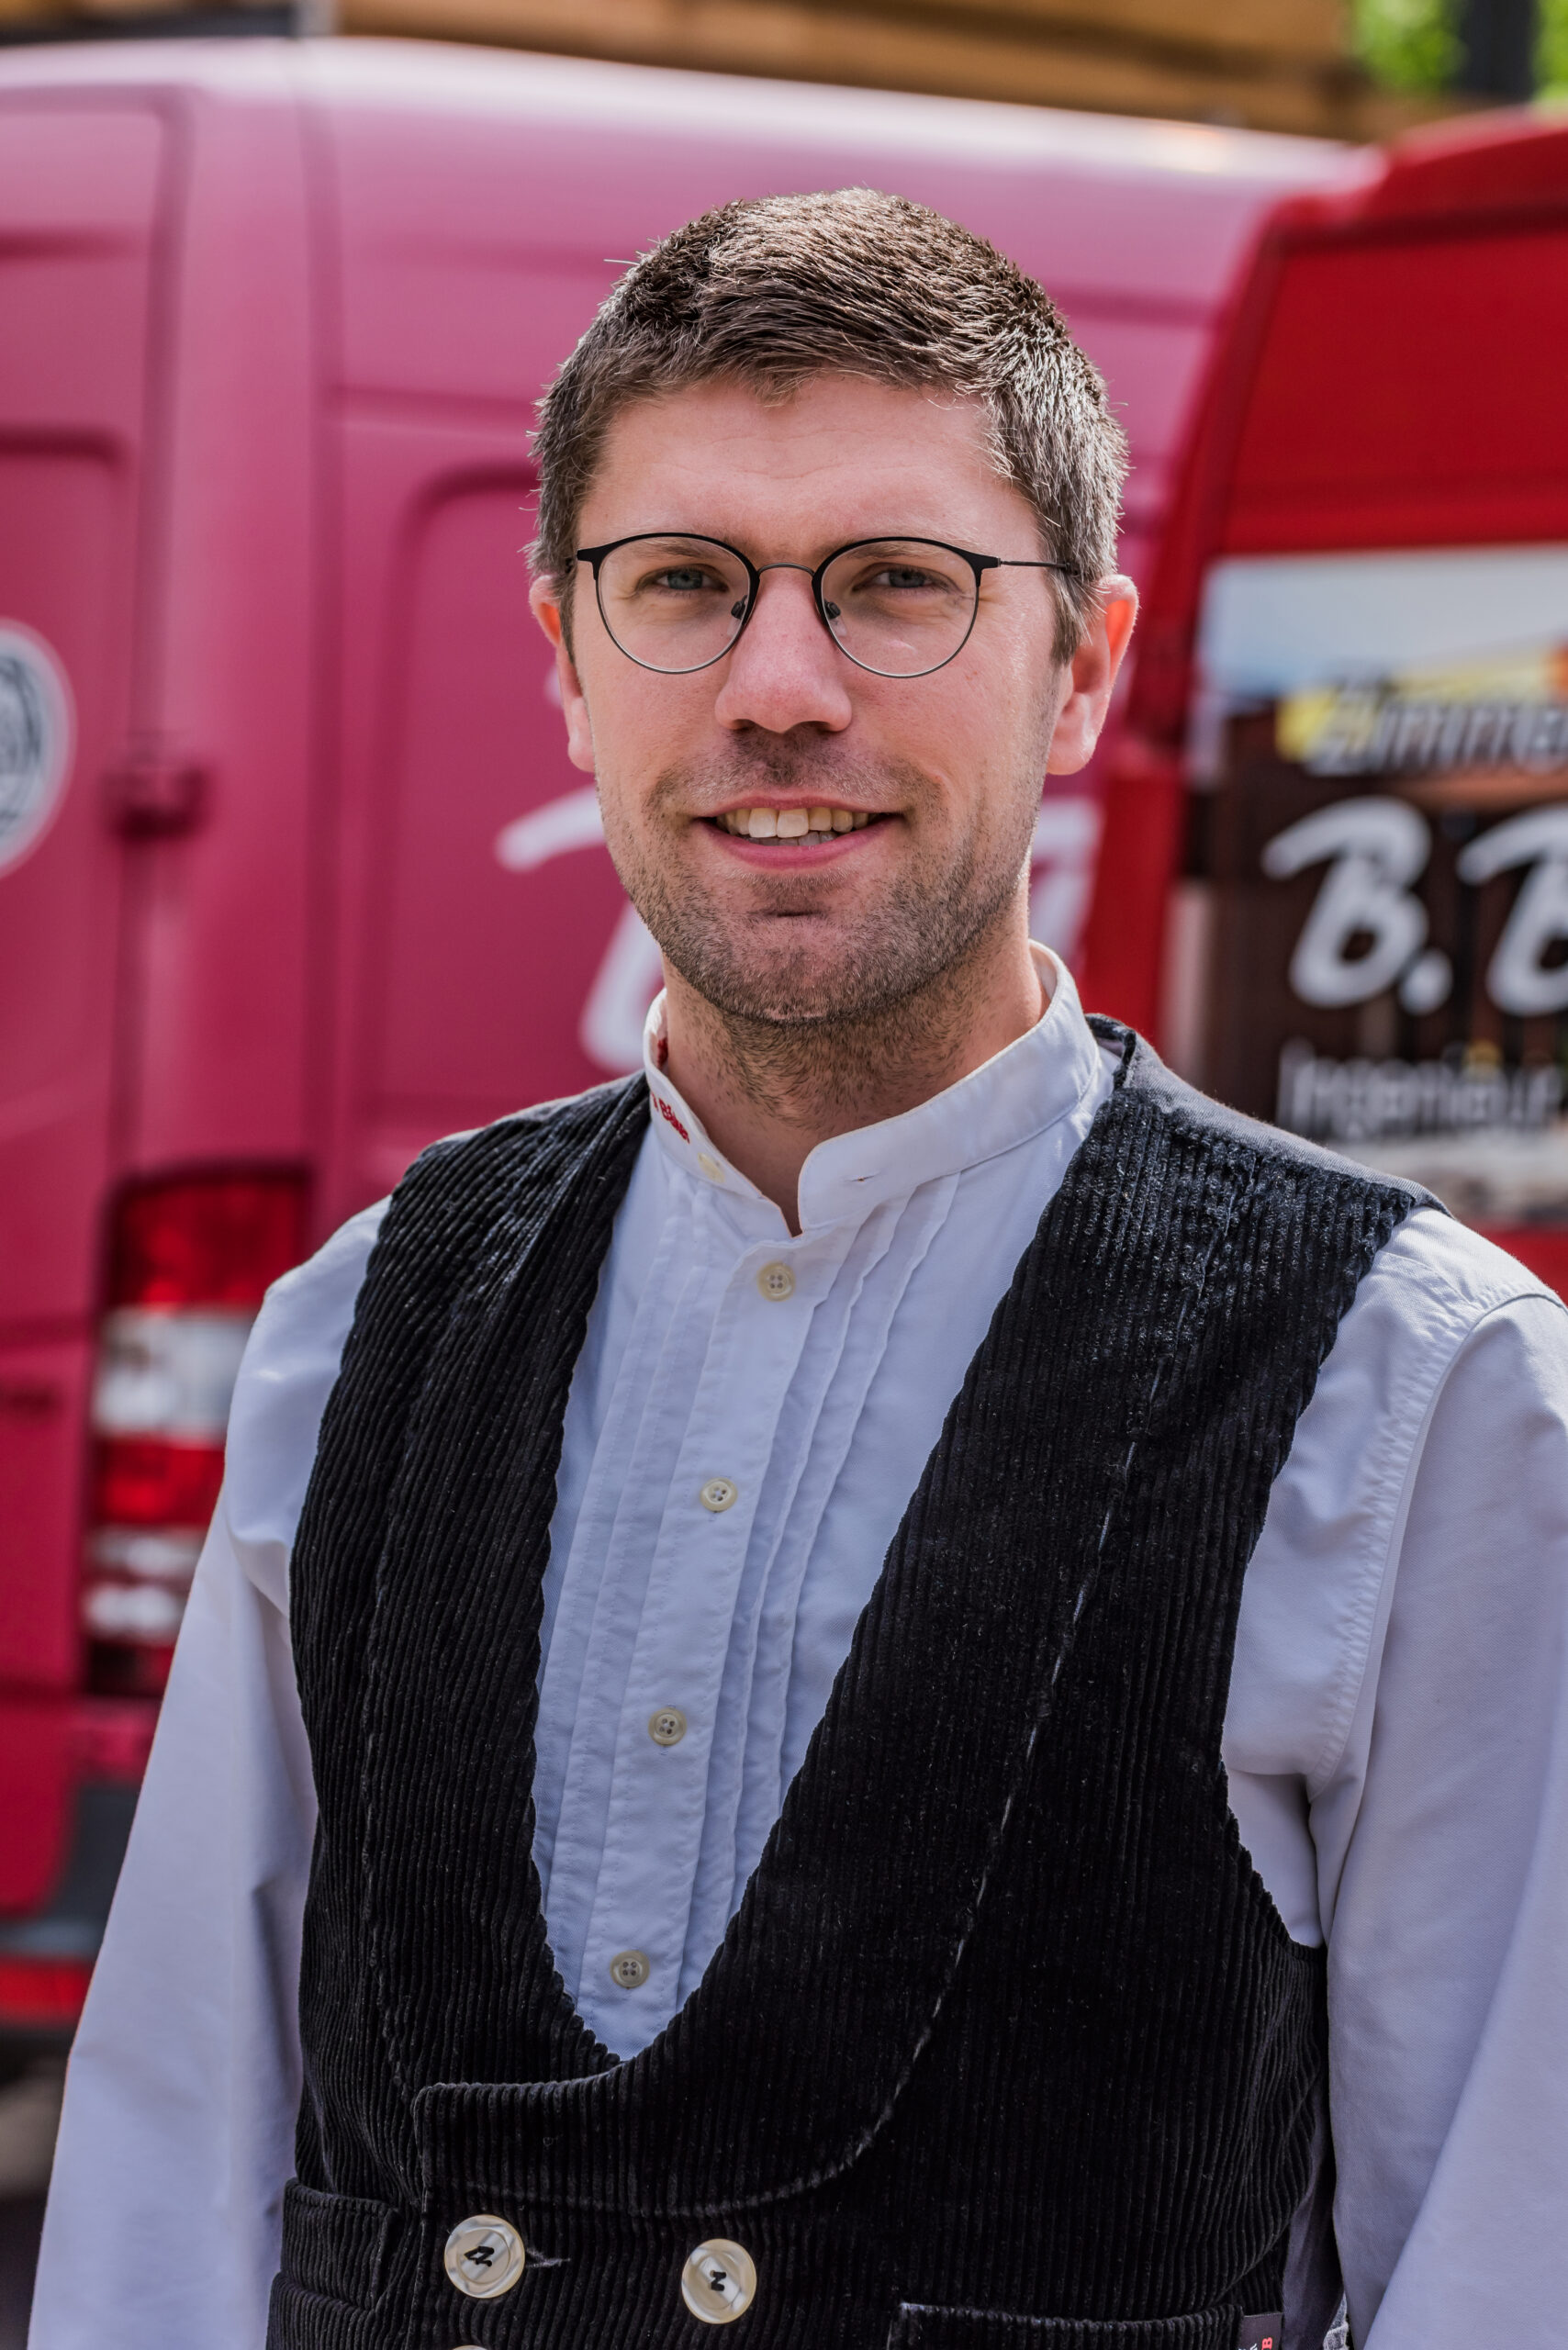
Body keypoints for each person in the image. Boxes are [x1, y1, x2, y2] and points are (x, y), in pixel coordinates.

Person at [29, 190, 1568, 2350]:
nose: (776, 689)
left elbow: (1509, 2260)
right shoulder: (360, 1323)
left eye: (893, 588)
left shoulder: (1412, 1388)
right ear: (567, 663)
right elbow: (166, 2190)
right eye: (677, 585)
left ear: (1084, 665)